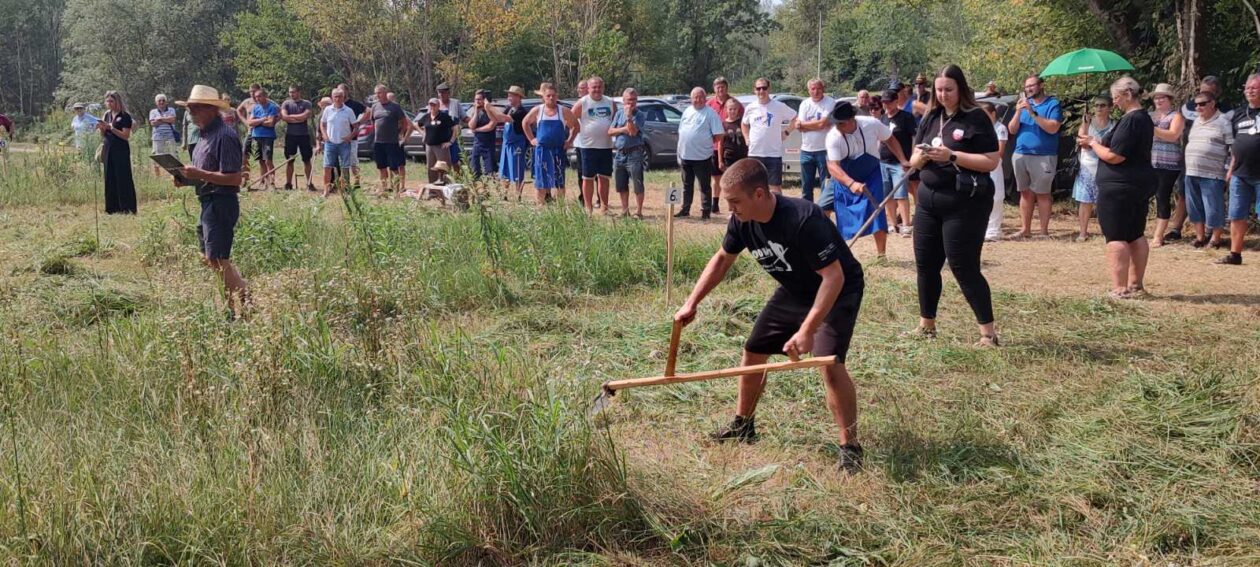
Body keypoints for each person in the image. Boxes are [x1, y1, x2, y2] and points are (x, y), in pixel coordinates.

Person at [675, 158, 866, 473]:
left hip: (838, 290)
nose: (730, 208)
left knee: (828, 361)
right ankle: (744, 425)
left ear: (760, 194)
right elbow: (723, 258)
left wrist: (807, 330)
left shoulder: (804, 219)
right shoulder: (741, 220)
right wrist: (691, 302)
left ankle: (850, 448)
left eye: (735, 201)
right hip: (795, 289)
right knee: (754, 350)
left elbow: (834, 278)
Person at [908, 65, 1002, 346]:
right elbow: (912, 160)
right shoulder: (931, 116)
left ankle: (988, 333)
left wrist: (952, 156)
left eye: (949, 89)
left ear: (961, 88)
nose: (943, 94)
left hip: (964, 203)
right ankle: (927, 325)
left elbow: (991, 161)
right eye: (938, 89)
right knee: (925, 264)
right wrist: (923, 157)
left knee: (963, 266)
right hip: (928, 201)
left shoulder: (976, 117)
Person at [173, 85, 249, 319]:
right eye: (189, 109)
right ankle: (229, 308)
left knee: (217, 258)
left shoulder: (225, 136)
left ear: (210, 109)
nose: (191, 113)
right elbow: (203, 172)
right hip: (207, 202)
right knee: (212, 259)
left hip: (221, 202)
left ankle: (246, 299)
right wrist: (186, 179)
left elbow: (235, 178)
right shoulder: (204, 135)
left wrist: (200, 175)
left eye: (195, 108)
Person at [1086, 77, 1155, 299]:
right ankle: (1136, 285)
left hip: (1119, 186)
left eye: (1116, 98)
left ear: (1127, 94)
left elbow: (1115, 156)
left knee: (1116, 236)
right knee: (1135, 233)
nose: (1114, 103)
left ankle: (1119, 288)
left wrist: (1093, 144)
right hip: (1138, 183)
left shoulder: (1132, 120)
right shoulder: (1143, 118)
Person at [822, 101, 907, 258]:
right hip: (843, 176)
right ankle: (825, 250)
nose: (836, 127)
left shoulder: (872, 124)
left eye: (839, 123)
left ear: (849, 121)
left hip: (871, 175)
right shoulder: (833, 137)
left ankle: (881, 256)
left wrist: (903, 160)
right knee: (822, 209)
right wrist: (851, 183)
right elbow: (833, 167)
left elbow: (890, 139)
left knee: (877, 213)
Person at [1007, 74, 1063, 239]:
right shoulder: (1023, 105)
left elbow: (1053, 128)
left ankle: (1044, 232)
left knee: (1043, 194)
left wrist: (1032, 113)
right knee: (1024, 193)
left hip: (1044, 156)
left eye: (1032, 85)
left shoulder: (1053, 104)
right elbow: (1011, 129)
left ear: (1041, 85)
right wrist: (1018, 112)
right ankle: (1026, 230)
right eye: (1026, 87)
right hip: (1020, 154)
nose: (1029, 89)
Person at [1183, 91, 1232, 249]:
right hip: (1191, 170)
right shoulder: (1196, 121)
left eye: (1202, 103)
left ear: (1212, 103)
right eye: (1196, 104)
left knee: (1213, 207)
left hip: (1213, 173)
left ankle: (1216, 239)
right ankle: (1200, 237)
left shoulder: (1223, 121)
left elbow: (1231, 148)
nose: (1198, 107)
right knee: (1194, 206)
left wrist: (1227, 170)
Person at [1220, 74, 1260, 265]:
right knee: (1236, 214)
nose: (1250, 91)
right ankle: (1235, 254)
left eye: (1255, 87)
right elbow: (1236, 143)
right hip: (1240, 173)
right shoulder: (1239, 114)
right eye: (1248, 88)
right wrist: (1231, 167)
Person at [523, 83, 580, 205]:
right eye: (548, 95)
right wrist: (532, 139)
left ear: (557, 96)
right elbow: (525, 123)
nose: (551, 98)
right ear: (543, 97)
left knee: (559, 182)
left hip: (558, 151)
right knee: (541, 182)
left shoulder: (563, 111)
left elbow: (576, 126)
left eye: (553, 95)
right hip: (542, 151)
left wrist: (569, 141)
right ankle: (541, 207)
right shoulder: (538, 110)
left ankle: (559, 208)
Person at [742, 77, 797, 195]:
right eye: (758, 88)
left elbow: (795, 118)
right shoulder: (750, 107)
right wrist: (746, 138)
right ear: (754, 90)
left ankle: (778, 212)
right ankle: (755, 213)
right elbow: (744, 124)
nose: (761, 91)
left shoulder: (779, 106)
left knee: (775, 188)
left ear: (769, 89)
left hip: (773, 154)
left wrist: (786, 132)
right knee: (753, 187)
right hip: (754, 153)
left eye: (764, 88)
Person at [677, 87, 725, 219]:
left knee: (704, 186)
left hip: (702, 157)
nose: (697, 100)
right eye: (695, 97)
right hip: (686, 155)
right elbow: (681, 131)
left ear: (705, 98)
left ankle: (705, 211)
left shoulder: (710, 113)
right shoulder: (687, 111)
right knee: (687, 185)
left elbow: (719, 135)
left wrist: (704, 142)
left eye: (700, 97)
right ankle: (685, 209)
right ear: (691, 99)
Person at [571, 76, 617, 215]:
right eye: (594, 87)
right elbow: (570, 119)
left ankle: (604, 207)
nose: (597, 90)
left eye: (599, 87)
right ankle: (588, 207)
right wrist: (574, 134)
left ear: (603, 88)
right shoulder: (583, 102)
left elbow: (615, 120)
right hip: (587, 146)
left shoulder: (610, 102)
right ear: (589, 88)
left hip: (606, 146)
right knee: (587, 178)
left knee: (604, 178)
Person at [1072, 96, 1115, 242]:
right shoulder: (1088, 124)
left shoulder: (1114, 125)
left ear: (1110, 108)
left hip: (1106, 166)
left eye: (1102, 105)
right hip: (1087, 166)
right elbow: (1081, 142)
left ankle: (1107, 231)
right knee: (1085, 200)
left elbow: (1114, 145)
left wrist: (1095, 142)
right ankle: (1083, 232)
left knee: (1105, 201)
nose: (1098, 108)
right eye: (1096, 105)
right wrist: (1085, 125)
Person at [1148, 83, 1185, 247]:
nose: (1158, 100)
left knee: (1162, 196)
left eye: (1162, 97)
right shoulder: (1149, 115)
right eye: (1156, 97)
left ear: (1169, 99)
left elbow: (1173, 135)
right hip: (1149, 162)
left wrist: (1152, 129)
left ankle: (1158, 236)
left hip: (1168, 164)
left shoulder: (1176, 116)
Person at [879, 89, 916, 235]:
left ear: (896, 101)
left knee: (901, 194)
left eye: (889, 102)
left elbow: (914, 137)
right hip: (883, 161)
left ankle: (906, 224)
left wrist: (911, 159)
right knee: (887, 195)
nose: (886, 105)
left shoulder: (906, 117)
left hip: (900, 162)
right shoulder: (883, 118)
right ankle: (893, 224)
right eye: (884, 102)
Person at [608, 87, 648, 218]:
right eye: (629, 100)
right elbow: (610, 132)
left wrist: (629, 118)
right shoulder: (619, 113)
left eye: (634, 100)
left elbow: (633, 132)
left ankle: (639, 212)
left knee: (637, 183)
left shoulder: (640, 115)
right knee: (621, 184)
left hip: (634, 154)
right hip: (620, 154)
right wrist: (623, 129)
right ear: (623, 100)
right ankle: (625, 210)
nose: (631, 103)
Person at [795, 79, 836, 203]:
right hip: (806, 150)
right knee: (806, 188)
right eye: (813, 88)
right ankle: (808, 215)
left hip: (824, 150)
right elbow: (799, 127)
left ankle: (824, 214)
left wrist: (805, 125)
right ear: (809, 90)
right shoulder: (804, 104)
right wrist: (814, 125)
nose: (816, 91)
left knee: (826, 186)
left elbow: (823, 124)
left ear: (823, 88)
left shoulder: (830, 102)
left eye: (818, 88)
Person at [364, 83, 410, 192]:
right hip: (378, 142)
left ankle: (396, 191)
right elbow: (373, 121)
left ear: (385, 93)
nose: (377, 95)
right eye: (376, 94)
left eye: (379, 93)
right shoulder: (375, 107)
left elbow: (404, 123)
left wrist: (401, 134)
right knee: (382, 167)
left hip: (392, 142)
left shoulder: (395, 107)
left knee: (394, 168)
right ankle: (384, 189)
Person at [97, 90, 137, 215]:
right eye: (107, 101)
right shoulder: (106, 115)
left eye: (111, 101)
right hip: (108, 148)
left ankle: (127, 208)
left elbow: (126, 135)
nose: (109, 103)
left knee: (122, 177)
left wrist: (111, 128)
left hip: (121, 150)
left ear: (117, 101)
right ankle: (112, 208)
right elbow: (103, 134)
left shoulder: (124, 116)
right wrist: (102, 129)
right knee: (109, 177)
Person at [708, 76, 743, 213]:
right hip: (716, 146)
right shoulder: (710, 104)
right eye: (717, 87)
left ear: (726, 88)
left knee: (733, 179)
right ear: (714, 88)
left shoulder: (735, 104)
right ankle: (714, 204)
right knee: (716, 178)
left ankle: (734, 205)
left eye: (722, 86)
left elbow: (744, 123)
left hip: (733, 147)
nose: (720, 89)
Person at [319, 88, 357, 197]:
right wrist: (324, 135)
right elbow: (322, 124)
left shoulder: (348, 111)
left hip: (344, 143)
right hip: (330, 143)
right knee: (327, 167)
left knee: (345, 167)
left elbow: (355, 127)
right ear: (332, 97)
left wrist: (350, 137)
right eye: (335, 96)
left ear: (343, 97)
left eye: (340, 96)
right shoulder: (327, 110)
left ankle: (345, 190)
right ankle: (326, 191)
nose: (337, 98)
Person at [980, 101, 1009, 242]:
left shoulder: (1000, 128)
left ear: (993, 114)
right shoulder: (979, 128)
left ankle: (993, 230)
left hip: (994, 165)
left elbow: (1000, 151)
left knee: (996, 197)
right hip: (980, 165)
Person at [280, 85, 316, 192]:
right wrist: (297, 118)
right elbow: (284, 117)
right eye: (290, 92)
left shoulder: (306, 103)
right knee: (290, 160)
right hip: (290, 136)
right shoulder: (286, 104)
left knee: (307, 160)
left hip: (304, 135)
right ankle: (288, 183)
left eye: (294, 92)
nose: (291, 94)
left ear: (299, 92)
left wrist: (291, 118)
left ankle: (309, 183)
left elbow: (305, 116)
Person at [499, 85, 531, 201]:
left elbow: (505, 118)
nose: (508, 97)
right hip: (506, 144)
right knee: (504, 169)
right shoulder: (509, 109)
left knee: (517, 169)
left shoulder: (521, 111)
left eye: (511, 95)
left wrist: (488, 107)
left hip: (517, 144)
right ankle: (504, 194)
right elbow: (498, 118)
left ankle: (518, 195)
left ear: (518, 97)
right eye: (508, 95)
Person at [467, 89, 506, 180]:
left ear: (484, 100)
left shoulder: (490, 111)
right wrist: (476, 112)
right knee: (474, 169)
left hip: (488, 144)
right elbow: (471, 125)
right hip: (477, 144)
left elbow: (491, 126)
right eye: (476, 99)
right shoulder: (475, 112)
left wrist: (477, 130)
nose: (477, 101)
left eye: (479, 99)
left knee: (490, 171)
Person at [246, 88, 281, 190]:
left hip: (267, 137)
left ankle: (272, 183)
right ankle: (263, 181)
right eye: (256, 97)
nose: (257, 99)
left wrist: (256, 122)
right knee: (260, 160)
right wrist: (262, 120)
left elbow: (270, 123)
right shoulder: (255, 108)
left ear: (265, 96)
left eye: (259, 96)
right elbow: (250, 122)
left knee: (268, 160)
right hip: (256, 136)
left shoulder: (272, 107)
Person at [417, 97, 458, 184]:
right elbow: (416, 124)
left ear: (438, 106)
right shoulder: (426, 117)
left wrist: (451, 141)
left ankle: (446, 189)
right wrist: (423, 133)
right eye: (430, 105)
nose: (432, 107)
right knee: (431, 167)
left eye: (434, 105)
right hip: (429, 146)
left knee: (443, 167)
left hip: (441, 146)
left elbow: (455, 128)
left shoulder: (444, 116)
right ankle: (433, 192)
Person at [716, 98, 748, 199]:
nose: (732, 111)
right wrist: (720, 160)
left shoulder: (742, 122)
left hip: (742, 156)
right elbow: (720, 144)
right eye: (730, 109)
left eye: (734, 109)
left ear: (738, 109)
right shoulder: (723, 124)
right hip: (729, 157)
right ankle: (731, 207)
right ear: (726, 110)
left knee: (742, 182)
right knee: (731, 183)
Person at [435, 83, 464, 174]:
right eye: (439, 93)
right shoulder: (435, 104)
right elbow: (425, 121)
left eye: (443, 92)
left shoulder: (455, 103)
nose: (441, 95)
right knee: (440, 163)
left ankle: (457, 180)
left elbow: (464, 117)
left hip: (453, 139)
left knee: (455, 161)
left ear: (448, 93)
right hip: (438, 140)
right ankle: (443, 180)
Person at [149, 94, 179, 175]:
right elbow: (153, 123)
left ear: (166, 102)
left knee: (173, 155)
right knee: (158, 156)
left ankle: (176, 175)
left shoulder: (171, 109)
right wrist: (166, 119)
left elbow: (172, 120)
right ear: (156, 103)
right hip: (157, 137)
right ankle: (158, 176)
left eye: (163, 100)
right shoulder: (153, 112)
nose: (161, 102)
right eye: (159, 101)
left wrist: (160, 119)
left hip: (170, 136)